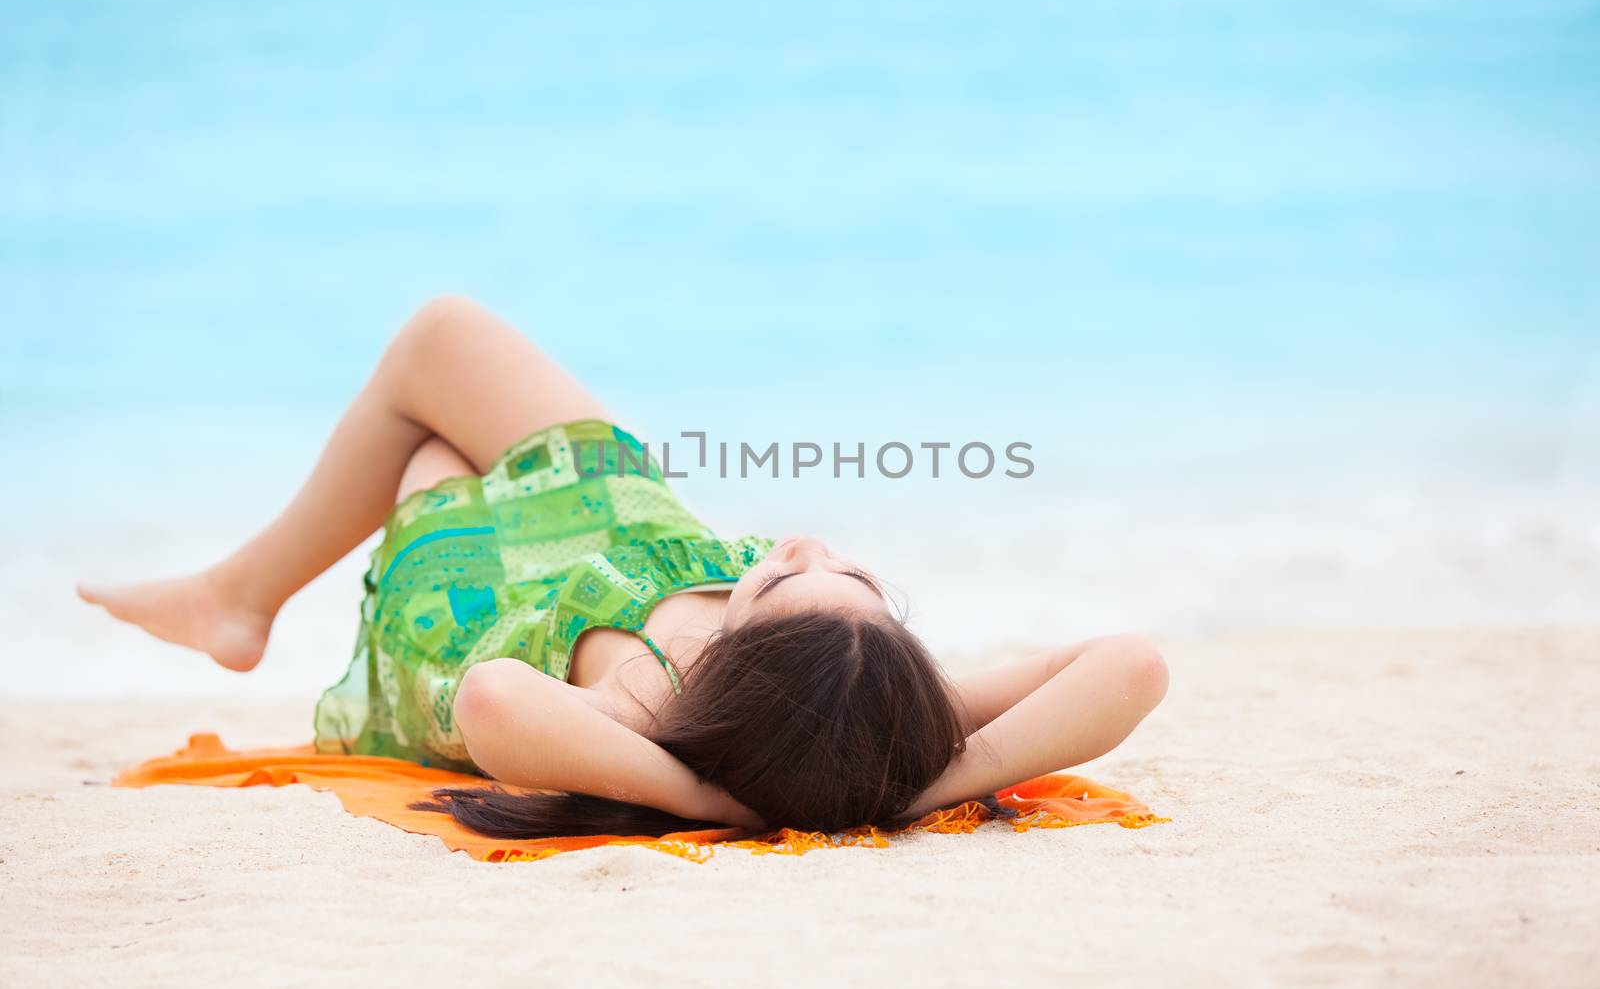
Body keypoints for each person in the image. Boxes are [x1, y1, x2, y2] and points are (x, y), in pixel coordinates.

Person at [78, 297, 1169, 839]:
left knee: (426, 439)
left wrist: (709, 797)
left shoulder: (659, 703)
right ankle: (238, 593)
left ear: (740, 662)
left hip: (480, 590)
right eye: (855, 578)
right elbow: (1130, 664)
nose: (800, 546)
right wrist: (930, 780)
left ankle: (238, 597)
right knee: (443, 342)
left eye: (783, 582)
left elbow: (496, 697)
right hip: (622, 519)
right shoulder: (891, 717)